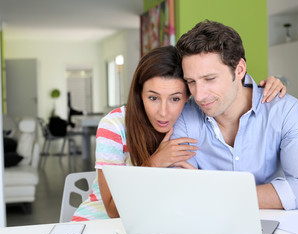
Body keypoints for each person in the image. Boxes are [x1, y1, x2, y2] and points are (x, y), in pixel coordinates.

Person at [71, 46, 286, 221]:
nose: (163, 112)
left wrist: (263, 88)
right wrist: (155, 163)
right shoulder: (115, 126)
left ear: (189, 96)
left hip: (155, 223)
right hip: (99, 225)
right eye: (153, 98)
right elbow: (111, 210)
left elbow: (227, 91)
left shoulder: (194, 117)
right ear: (139, 94)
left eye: (175, 98)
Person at [172, 20, 298, 210]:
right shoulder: (185, 116)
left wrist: (217, 192)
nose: (199, 95)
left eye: (210, 79)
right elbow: (181, 190)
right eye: (191, 81)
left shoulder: (283, 110)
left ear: (240, 70)